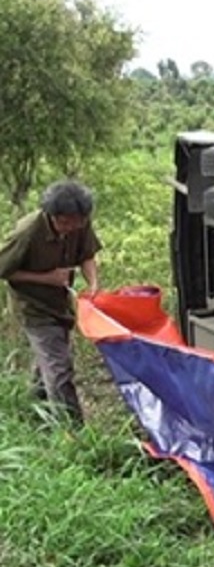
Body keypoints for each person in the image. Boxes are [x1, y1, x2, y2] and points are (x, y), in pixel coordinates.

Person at [0, 180, 101, 426]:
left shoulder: (80, 223)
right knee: (59, 369)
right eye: (65, 223)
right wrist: (46, 278)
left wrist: (94, 284)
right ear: (52, 216)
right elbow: (3, 269)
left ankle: (34, 413)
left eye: (77, 222)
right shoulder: (28, 231)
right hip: (33, 307)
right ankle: (72, 433)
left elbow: (86, 254)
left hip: (60, 304)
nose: (72, 228)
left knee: (47, 362)